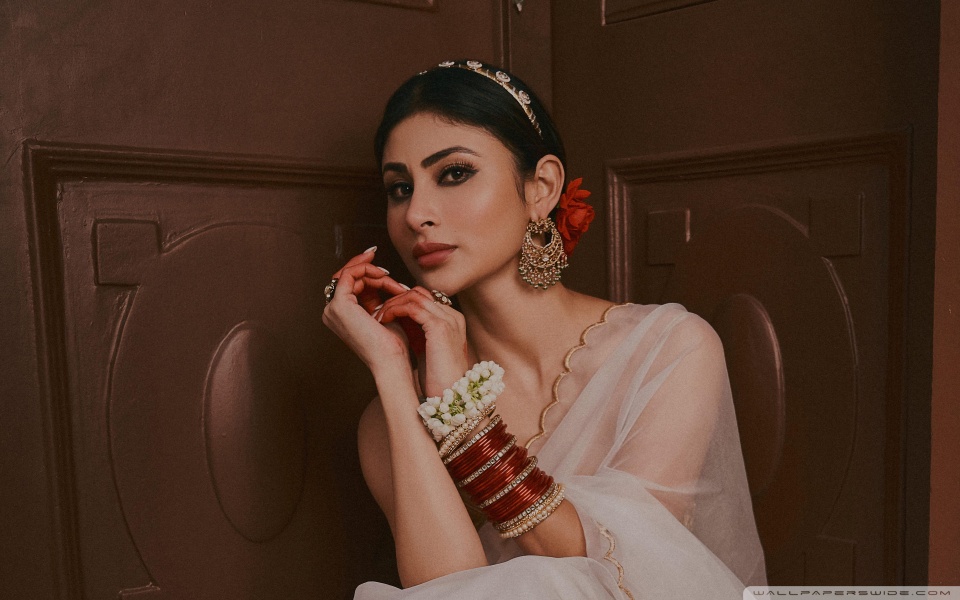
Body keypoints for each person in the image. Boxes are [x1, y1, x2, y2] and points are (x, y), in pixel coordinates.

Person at [322, 59, 767, 599]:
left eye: (454, 173)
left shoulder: (667, 350)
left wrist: (463, 419)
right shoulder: (391, 415)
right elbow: (448, 593)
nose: (416, 213)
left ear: (542, 187)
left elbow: (630, 571)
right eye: (399, 188)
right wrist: (395, 375)